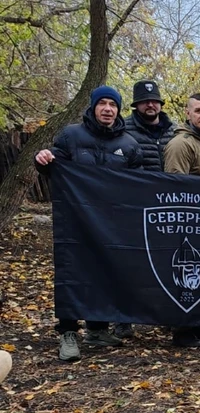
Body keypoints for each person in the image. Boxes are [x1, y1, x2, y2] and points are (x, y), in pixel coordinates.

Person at [35, 86, 143, 361]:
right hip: (75, 219)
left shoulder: (129, 144)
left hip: (111, 222)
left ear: (119, 110)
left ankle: (97, 329)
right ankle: (68, 333)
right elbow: (54, 166)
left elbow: (140, 184)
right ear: (93, 107)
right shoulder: (72, 135)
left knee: (104, 271)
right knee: (73, 273)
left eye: (113, 105)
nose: (108, 109)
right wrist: (44, 161)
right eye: (103, 104)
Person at [115, 80, 177, 339]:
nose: (150, 105)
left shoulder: (174, 131)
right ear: (136, 104)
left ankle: (167, 315)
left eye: (154, 101)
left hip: (168, 207)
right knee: (130, 264)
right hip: (134, 206)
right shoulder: (123, 131)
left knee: (166, 262)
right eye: (145, 101)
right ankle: (123, 318)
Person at [163, 92, 200, 348]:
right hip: (186, 220)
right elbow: (177, 187)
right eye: (199, 111)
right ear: (188, 113)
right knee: (183, 272)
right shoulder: (181, 144)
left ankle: (196, 322)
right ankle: (182, 330)